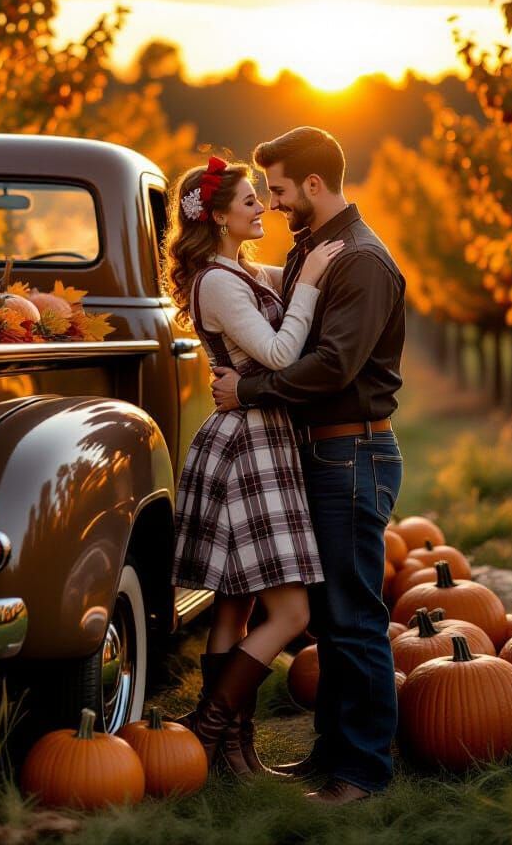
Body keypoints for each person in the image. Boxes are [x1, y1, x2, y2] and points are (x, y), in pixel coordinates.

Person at [211, 126, 406, 805]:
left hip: (352, 452)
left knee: (353, 617)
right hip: (325, 451)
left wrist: (249, 390)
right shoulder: (315, 251)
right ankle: (334, 752)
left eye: (280, 189)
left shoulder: (362, 261)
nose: (273, 202)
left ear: (314, 185)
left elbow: (332, 366)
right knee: (330, 616)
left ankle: (364, 773)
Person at [164, 154, 343, 777]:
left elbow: (285, 286)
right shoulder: (217, 282)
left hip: (259, 436)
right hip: (250, 446)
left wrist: (311, 261)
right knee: (291, 614)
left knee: (234, 606)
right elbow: (278, 353)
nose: (261, 206)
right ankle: (208, 727)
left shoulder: (239, 270)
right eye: (248, 200)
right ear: (218, 217)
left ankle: (232, 756)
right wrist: (311, 280)